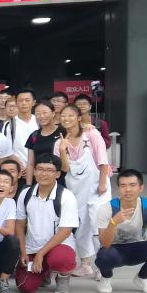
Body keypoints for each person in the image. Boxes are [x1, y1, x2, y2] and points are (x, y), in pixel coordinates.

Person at [54, 103, 110, 278]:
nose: (66, 119)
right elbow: (64, 169)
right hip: (76, 188)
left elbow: (103, 160)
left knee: (98, 224)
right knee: (81, 226)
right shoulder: (59, 142)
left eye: (70, 115)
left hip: (97, 186)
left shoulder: (91, 134)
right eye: (63, 116)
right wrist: (62, 150)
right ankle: (85, 264)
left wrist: (102, 183)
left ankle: (103, 265)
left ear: (79, 117)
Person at [95, 169, 147, 293]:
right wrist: (113, 223)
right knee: (104, 256)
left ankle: (143, 278)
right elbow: (104, 243)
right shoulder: (106, 208)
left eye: (132, 185)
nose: (128, 190)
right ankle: (106, 278)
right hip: (114, 249)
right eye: (123, 186)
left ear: (141, 188)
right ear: (118, 189)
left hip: (138, 246)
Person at [15, 154, 79, 293]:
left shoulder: (66, 196)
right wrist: (23, 251)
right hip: (32, 247)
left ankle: (62, 276)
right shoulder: (25, 194)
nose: (44, 174)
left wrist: (41, 254)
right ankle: (44, 273)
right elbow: (19, 224)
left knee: (61, 259)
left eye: (49, 170)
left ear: (57, 174)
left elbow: (65, 231)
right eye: (40, 169)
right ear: (34, 171)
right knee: (25, 287)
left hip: (58, 246)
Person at [24, 101, 62, 185]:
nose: (41, 116)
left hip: (60, 179)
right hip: (39, 180)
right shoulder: (34, 136)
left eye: (45, 112)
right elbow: (30, 163)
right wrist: (28, 185)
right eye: (38, 113)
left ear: (53, 113)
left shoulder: (63, 132)